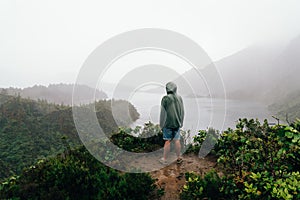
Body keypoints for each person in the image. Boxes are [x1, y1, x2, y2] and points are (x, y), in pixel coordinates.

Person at [159, 82, 184, 165]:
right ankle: (178, 158)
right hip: (177, 123)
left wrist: (161, 124)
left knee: (167, 141)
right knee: (177, 140)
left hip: (167, 123)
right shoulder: (179, 98)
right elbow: (182, 111)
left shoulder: (165, 98)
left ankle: (164, 159)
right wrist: (181, 122)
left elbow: (163, 113)